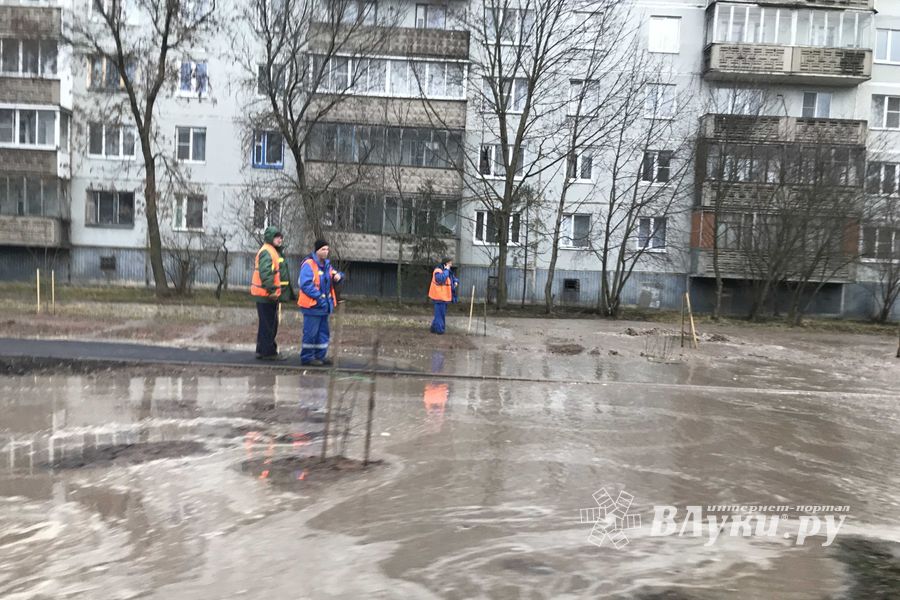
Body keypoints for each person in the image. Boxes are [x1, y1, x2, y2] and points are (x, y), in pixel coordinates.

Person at [250, 226, 295, 360]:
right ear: (270, 238)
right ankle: (268, 353)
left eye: (281, 237)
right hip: (267, 295)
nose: (280, 239)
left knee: (266, 324)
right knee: (269, 325)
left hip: (265, 294)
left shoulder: (271, 250)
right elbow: (266, 273)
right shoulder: (267, 252)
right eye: (277, 237)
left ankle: (261, 350)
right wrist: (273, 291)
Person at [297, 239, 344, 366]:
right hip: (312, 306)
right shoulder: (309, 264)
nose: (326, 252)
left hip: (324, 306)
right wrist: (320, 298)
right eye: (323, 249)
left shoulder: (327, 266)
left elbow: (336, 274)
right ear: (317, 250)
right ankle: (307, 357)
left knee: (323, 333)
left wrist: (339, 276)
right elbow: (306, 285)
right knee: (311, 333)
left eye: (327, 249)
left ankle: (320, 356)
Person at [429, 257, 456, 334]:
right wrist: (446, 270)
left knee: (440, 314)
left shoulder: (447, 271)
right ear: (446, 263)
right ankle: (439, 330)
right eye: (450, 263)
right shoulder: (438, 270)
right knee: (440, 314)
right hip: (439, 296)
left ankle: (434, 328)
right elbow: (441, 279)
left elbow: (452, 278)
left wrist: (456, 281)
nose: (451, 264)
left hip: (444, 297)